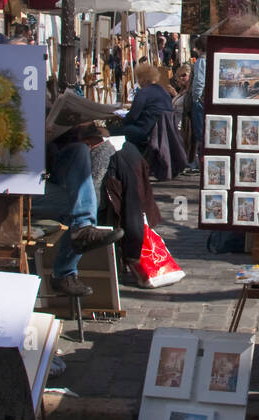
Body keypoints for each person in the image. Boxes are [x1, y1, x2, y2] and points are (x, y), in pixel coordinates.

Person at [32, 140, 120, 296]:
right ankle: (64, 273)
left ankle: (82, 227)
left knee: (78, 149)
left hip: (42, 169)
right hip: (15, 183)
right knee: (76, 205)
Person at [113, 62, 173, 151]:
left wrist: (123, 120)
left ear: (142, 79)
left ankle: (132, 158)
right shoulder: (165, 92)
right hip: (164, 131)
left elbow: (133, 116)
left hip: (147, 131)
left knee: (117, 130)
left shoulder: (143, 93)